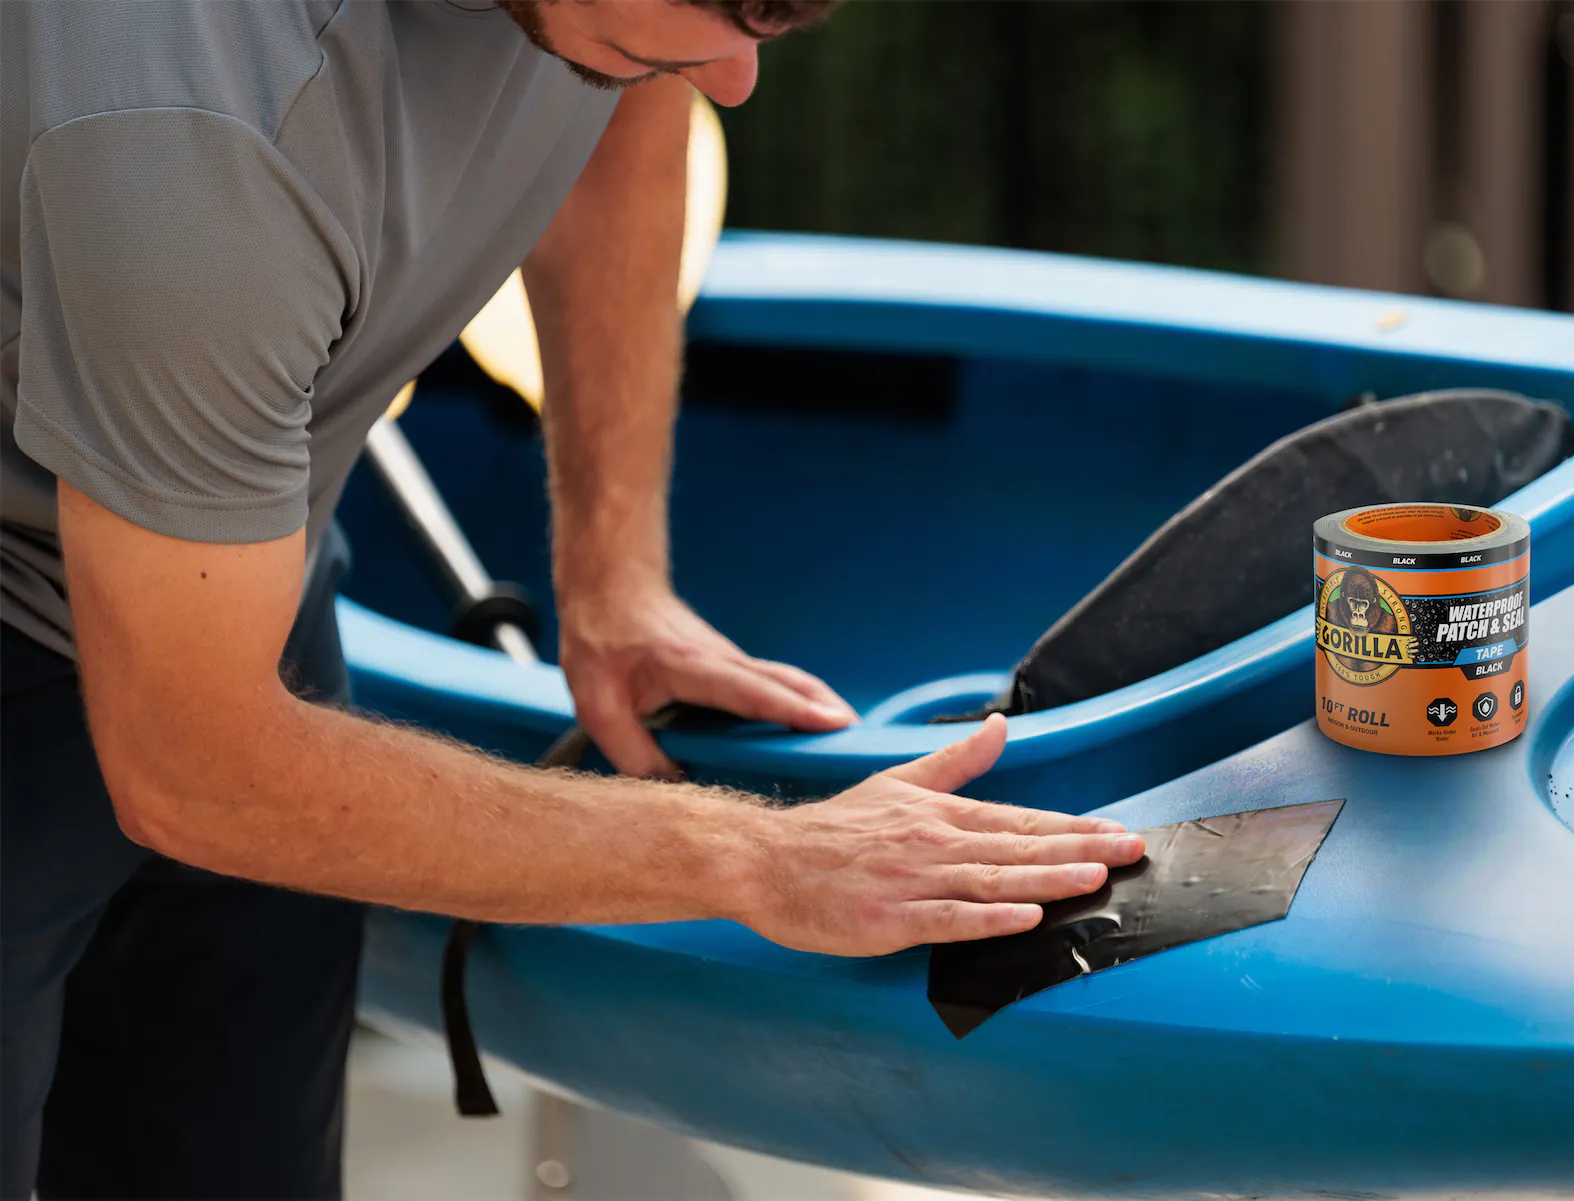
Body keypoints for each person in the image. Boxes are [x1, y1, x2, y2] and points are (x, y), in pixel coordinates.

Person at [0, 1, 1146, 1196]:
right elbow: (197, 766)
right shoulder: (197, 128)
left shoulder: (610, 20)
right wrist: (757, 859)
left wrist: (615, 569)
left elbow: (626, 100)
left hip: (231, 582)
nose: (740, 80)